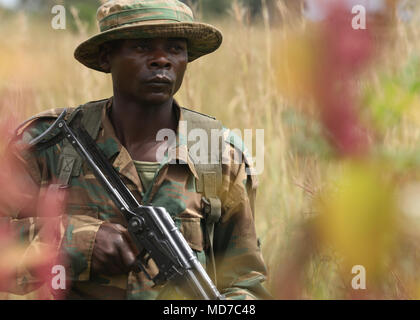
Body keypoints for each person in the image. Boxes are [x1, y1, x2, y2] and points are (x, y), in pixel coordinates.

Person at [5, 0, 269, 300]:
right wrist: (78, 241)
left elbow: (247, 281)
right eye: (142, 47)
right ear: (107, 56)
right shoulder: (50, 142)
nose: (161, 60)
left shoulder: (218, 155)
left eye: (174, 48)